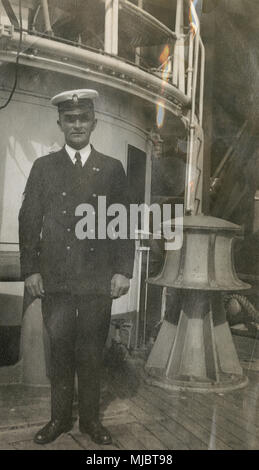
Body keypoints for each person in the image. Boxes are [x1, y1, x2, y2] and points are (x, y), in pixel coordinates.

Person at [19, 89, 135, 445]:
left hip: (98, 281)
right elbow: (28, 221)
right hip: (56, 279)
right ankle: (58, 420)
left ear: (94, 123)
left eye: (83, 118)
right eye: (70, 119)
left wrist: (123, 270)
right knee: (60, 352)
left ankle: (89, 421)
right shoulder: (43, 168)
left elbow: (123, 223)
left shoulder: (112, 168)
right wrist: (31, 270)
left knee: (91, 353)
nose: (77, 125)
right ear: (60, 124)